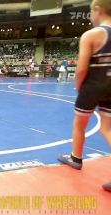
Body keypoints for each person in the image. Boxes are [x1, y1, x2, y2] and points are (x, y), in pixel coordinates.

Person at [57, 0, 111, 192]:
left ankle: (76, 158)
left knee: (79, 123)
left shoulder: (91, 35)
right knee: (107, 128)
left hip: (93, 84)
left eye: (90, 13)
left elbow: (81, 69)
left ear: (98, 10)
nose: (90, 17)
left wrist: (79, 87)